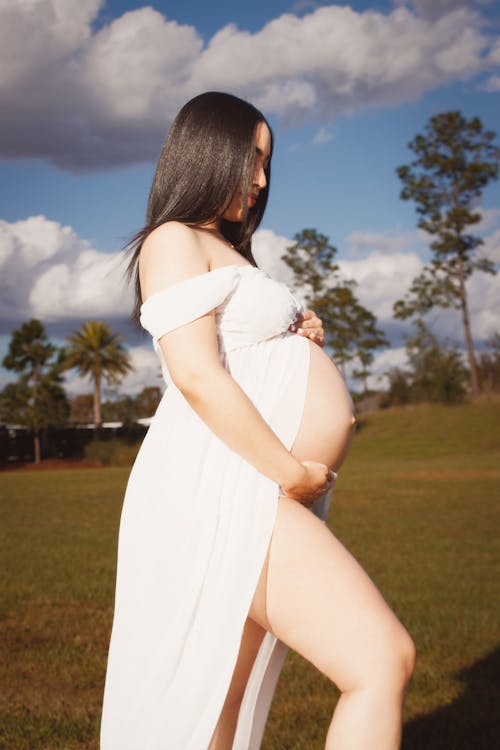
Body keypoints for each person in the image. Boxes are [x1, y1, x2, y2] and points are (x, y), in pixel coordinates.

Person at [100, 91, 415, 750]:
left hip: (254, 486)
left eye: (268, 163)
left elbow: (239, 349)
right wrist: (290, 471)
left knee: (220, 707)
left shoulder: (224, 250)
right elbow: (195, 373)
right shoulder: (174, 238)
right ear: (208, 152)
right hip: (230, 488)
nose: (262, 180)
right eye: (252, 160)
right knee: (380, 660)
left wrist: (298, 336)